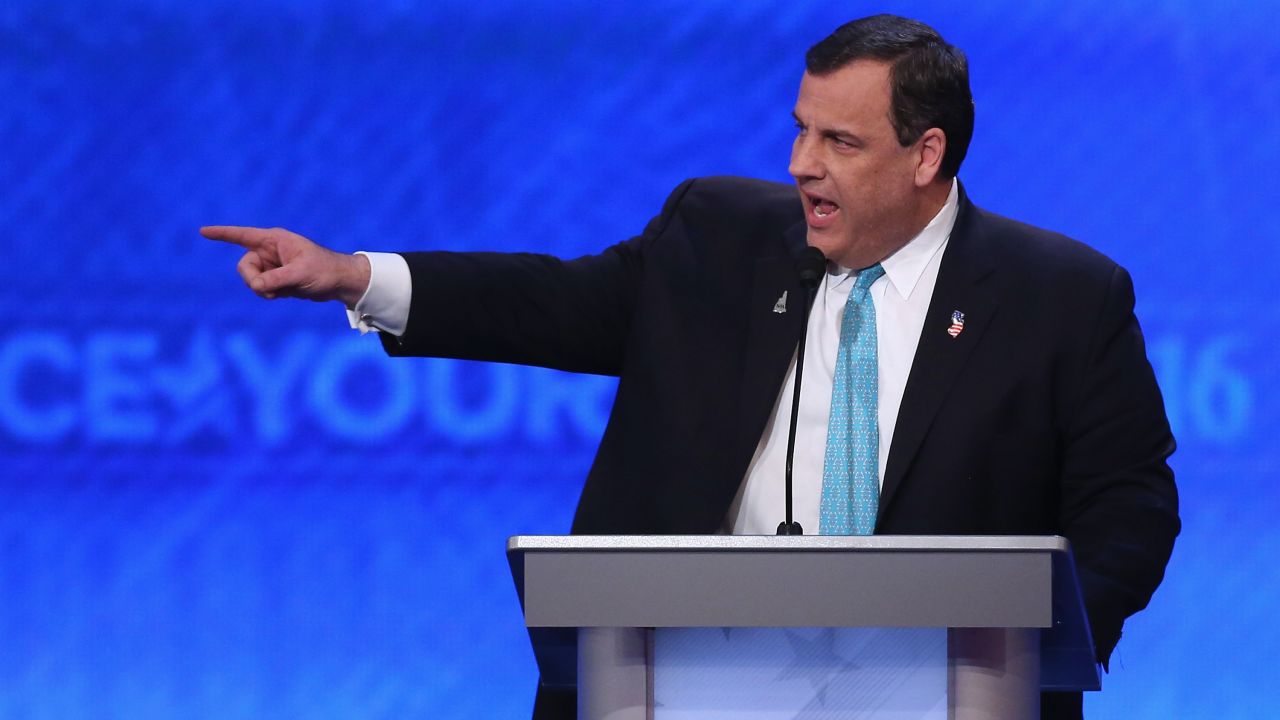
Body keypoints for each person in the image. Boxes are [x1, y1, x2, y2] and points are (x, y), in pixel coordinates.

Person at [203, 14, 1178, 719]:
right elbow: (555, 304)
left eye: (838, 141)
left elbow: (1128, 513)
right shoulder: (718, 234)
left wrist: (1028, 655)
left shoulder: (1061, 294)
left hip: (933, 692)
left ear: (926, 155)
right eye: (799, 128)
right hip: (677, 679)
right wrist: (355, 276)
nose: (800, 163)